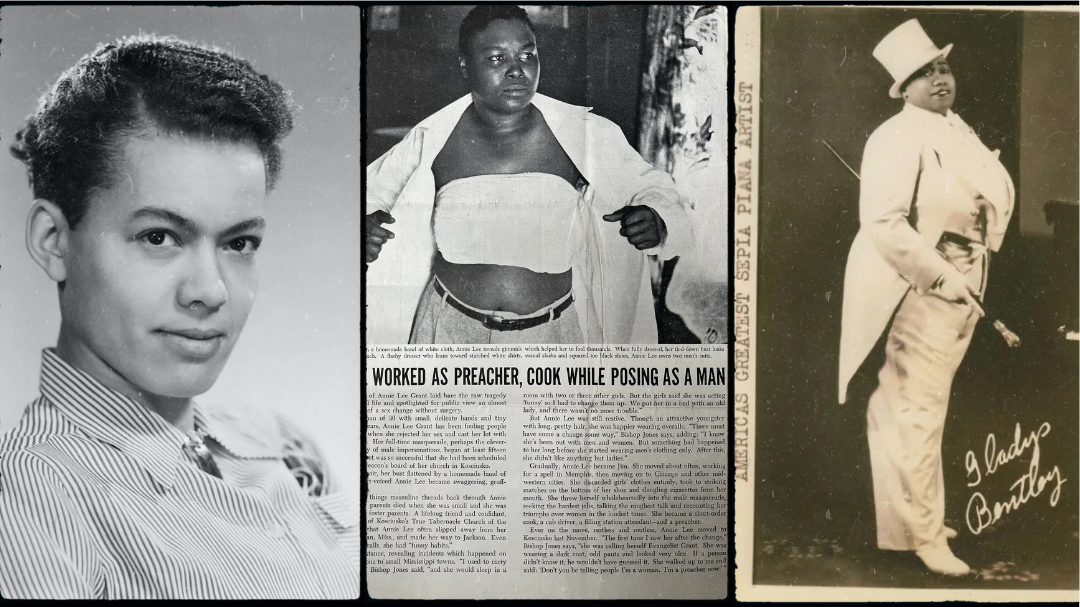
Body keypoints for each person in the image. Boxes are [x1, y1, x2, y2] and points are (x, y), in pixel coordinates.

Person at [0, 35, 359, 599]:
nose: (210, 291)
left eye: (239, 243)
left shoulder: (276, 438)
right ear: (53, 241)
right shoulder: (36, 499)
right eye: (159, 236)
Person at [365, 5, 693, 344]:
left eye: (527, 55)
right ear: (465, 65)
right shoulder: (431, 138)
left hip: (552, 337)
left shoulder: (583, 133)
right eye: (496, 58)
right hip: (448, 332)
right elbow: (366, 195)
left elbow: (658, 190)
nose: (517, 71)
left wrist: (656, 218)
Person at [838, 20, 1015, 576]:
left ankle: (916, 521)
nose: (938, 78)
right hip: (919, 286)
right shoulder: (894, 136)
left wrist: (970, 266)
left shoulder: (953, 126)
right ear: (903, 87)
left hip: (966, 277)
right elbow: (884, 224)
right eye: (923, 72)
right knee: (912, 405)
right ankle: (920, 534)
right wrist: (941, 277)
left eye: (942, 66)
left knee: (917, 404)